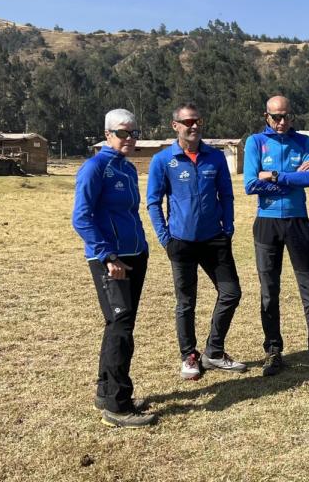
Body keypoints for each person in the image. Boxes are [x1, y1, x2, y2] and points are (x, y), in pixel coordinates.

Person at [147, 102, 246, 379]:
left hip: (215, 239)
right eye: (187, 122)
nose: (193, 126)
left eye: (197, 121)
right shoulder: (163, 161)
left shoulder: (214, 158)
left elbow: (226, 195)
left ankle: (214, 352)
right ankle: (189, 355)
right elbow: (154, 202)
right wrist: (165, 238)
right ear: (175, 126)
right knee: (186, 302)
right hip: (181, 242)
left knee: (231, 293)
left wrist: (228, 227)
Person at [243, 95, 309, 378]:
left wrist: (273, 175)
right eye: (275, 117)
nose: (281, 122)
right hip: (267, 223)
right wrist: (289, 178)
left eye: (286, 116)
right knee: (269, 291)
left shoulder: (305, 142)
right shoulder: (255, 143)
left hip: (298, 223)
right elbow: (251, 184)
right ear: (266, 117)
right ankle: (273, 351)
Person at [72, 108, 156, 428]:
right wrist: (108, 256)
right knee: (121, 327)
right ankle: (118, 407)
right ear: (108, 134)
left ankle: (106, 391)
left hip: (135, 255)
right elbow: (82, 217)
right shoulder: (95, 168)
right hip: (112, 260)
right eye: (123, 132)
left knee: (118, 324)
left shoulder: (127, 169)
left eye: (134, 132)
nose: (130, 138)